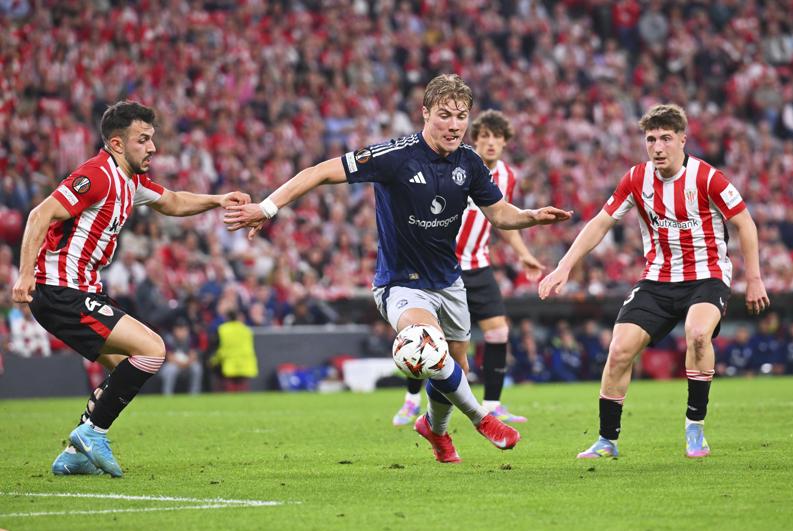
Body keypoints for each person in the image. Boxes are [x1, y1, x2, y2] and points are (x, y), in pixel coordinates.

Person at [225, 74, 572, 463]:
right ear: (425, 113)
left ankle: (435, 429)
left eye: (461, 116)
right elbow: (319, 171)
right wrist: (267, 208)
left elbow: (500, 214)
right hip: (401, 282)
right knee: (427, 344)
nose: (454, 125)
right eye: (444, 115)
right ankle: (482, 418)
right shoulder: (395, 156)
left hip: (449, 280)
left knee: (454, 368)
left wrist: (530, 216)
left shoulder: (470, 162)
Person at [11, 101, 249, 476]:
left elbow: (172, 201)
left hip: (79, 291)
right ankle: (91, 432)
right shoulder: (97, 175)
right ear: (117, 144)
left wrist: (218, 200)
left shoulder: (131, 181)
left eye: (151, 139)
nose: (152, 147)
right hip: (60, 290)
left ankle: (75, 454)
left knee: (127, 368)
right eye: (143, 140)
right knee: (153, 349)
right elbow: (39, 214)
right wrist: (25, 274)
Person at [539, 104, 770, 459]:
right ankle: (607, 441)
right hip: (658, 279)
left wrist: (753, 278)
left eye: (665, 138)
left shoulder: (708, 178)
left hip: (706, 275)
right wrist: (564, 266)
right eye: (651, 139)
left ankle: (695, 428)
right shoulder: (636, 178)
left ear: (682, 140)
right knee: (619, 350)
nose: (658, 147)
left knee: (697, 334)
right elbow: (600, 222)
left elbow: (745, 223)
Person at [391, 110, 545, 426]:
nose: (490, 143)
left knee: (499, 331)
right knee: (426, 337)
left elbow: (502, 219)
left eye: (496, 137)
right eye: (484, 136)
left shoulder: (507, 176)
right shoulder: (456, 166)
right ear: (475, 139)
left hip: (479, 265)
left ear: (505, 142)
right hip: (443, 267)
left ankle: (493, 403)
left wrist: (523, 254)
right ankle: (411, 401)